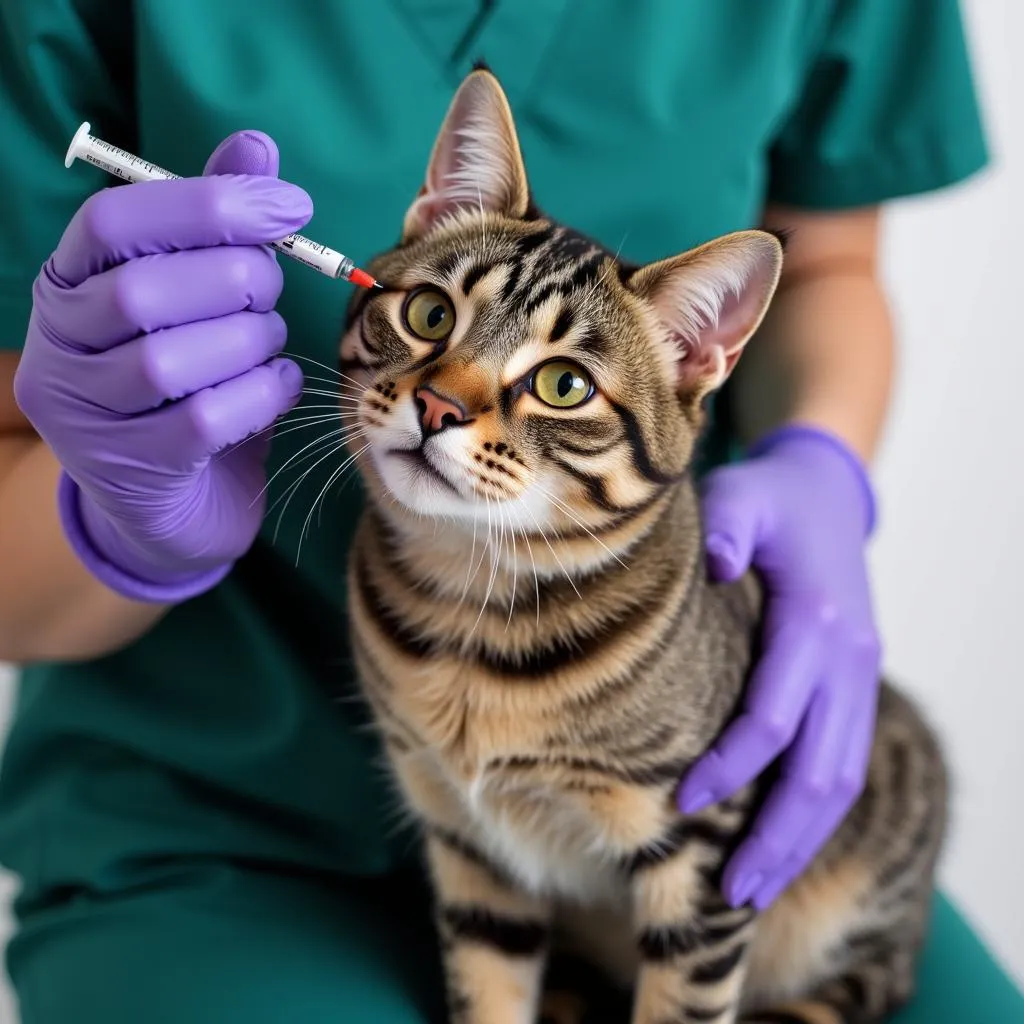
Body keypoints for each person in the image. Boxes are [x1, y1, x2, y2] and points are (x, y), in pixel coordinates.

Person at [0, 2, 1019, 1022]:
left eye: (561, 385)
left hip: (694, 863)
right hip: (210, 814)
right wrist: (116, 518)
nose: (450, 403)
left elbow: (828, 259)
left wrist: (821, 456)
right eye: (435, 316)